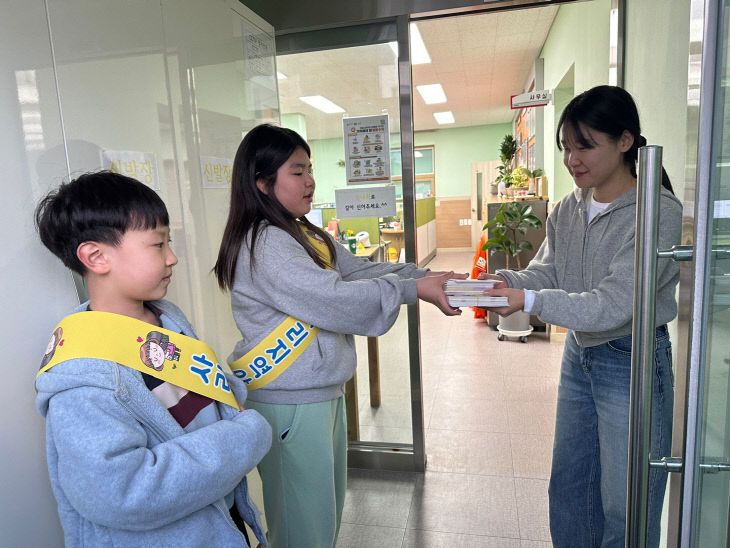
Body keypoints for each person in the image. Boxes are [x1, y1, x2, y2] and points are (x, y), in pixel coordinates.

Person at [214, 123, 465, 548]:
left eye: (309, 168)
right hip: (289, 403)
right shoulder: (265, 243)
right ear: (262, 182)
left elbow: (359, 272)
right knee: (302, 531)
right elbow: (331, 298)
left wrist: (427, 277)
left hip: (318, 394)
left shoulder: (303, 232)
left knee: (321, 522)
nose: (310, 180)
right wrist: (410, 288)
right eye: (297, 171)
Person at [481, 85, 681, 547]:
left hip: (631, 359)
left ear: (625, 141)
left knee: (625, 501)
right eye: (567, 148)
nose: (572, 159)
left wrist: (529, 303)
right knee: (571, 487)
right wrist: (506, 282)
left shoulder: (657, 213)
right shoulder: (571, 206)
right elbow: (551, 269)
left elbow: (613, 303)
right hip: (581, 353)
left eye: (584, 145)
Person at [34, 171, 272, 547]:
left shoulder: (167, 317)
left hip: (220, 523)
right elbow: (120, 493)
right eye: (158, 244)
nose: (173, 257)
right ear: (96, 256)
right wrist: (246, 436)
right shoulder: (83, 373)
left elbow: (201, 393)